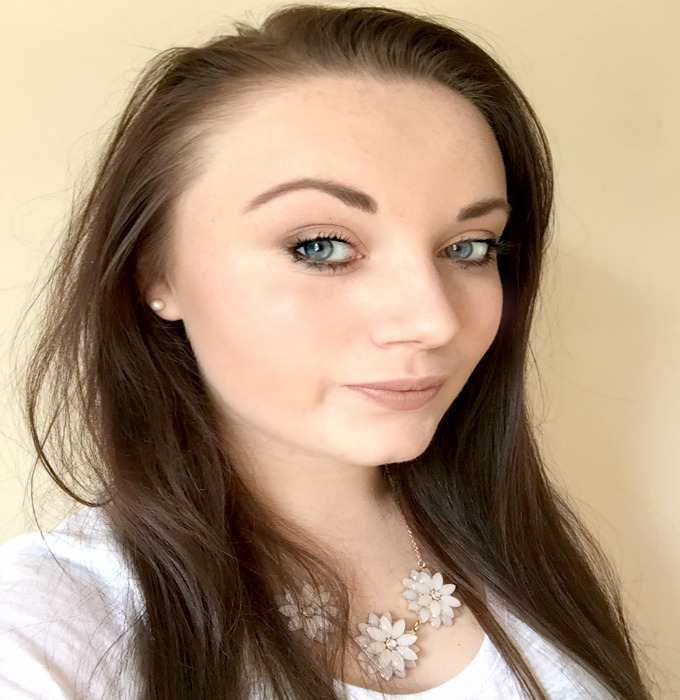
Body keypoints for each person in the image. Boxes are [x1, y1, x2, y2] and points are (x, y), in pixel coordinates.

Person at [0, 4, 653, 699]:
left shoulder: (518, 543)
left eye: (469, 248)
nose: (433, 320)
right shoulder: (52, 627)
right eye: (320, 246)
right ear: (155, 272)